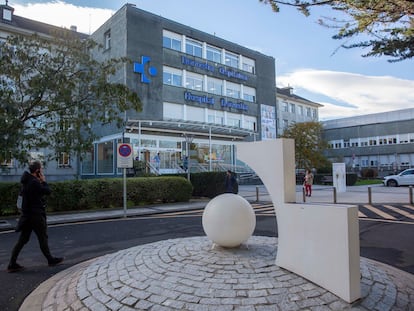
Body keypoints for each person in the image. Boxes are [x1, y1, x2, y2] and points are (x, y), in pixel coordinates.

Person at [7, 161, 63, 273]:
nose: (42, 171)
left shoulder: (26, 181)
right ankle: (50, 260)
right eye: (41, 169)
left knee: (23, 240)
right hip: (36, 215)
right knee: (42, 237)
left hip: (27, 216)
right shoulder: (34, 182)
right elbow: (47, 191)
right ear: (37, 171)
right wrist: (44, 181)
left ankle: (12, 263)